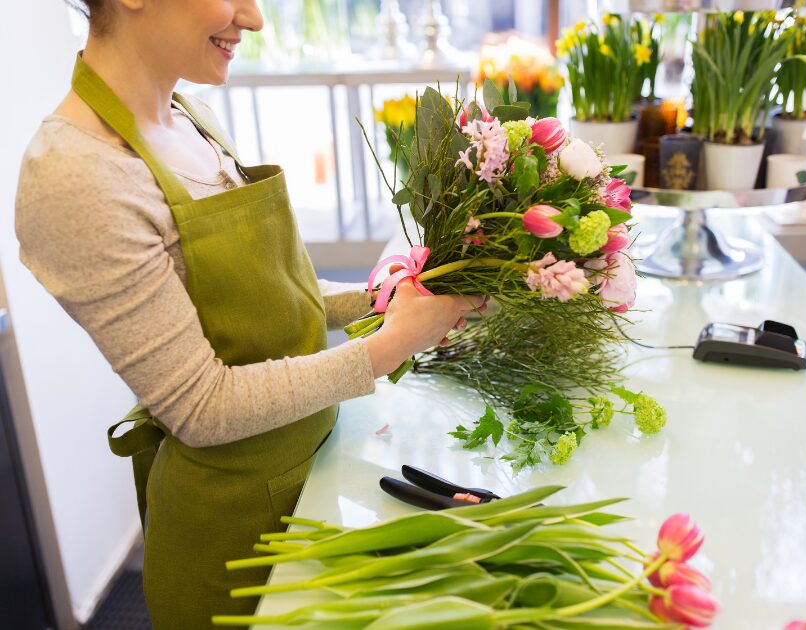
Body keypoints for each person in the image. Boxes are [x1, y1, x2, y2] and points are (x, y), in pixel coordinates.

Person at [15, 1, 485, 627]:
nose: (255, 17)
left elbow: (265, 298)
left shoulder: (191, 117)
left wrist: (386, 298)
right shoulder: (76, 176)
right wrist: (390, 345)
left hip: (308, 473)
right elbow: (201, 405)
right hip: (235, 542)